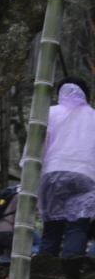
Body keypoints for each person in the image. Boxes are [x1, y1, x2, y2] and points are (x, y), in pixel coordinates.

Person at [37, 78, 95, 258]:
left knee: (52, 225)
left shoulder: (48, 113)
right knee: (77, 224)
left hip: (52, 171)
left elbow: (36, 148)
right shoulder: (93, 116)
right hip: (85, 174)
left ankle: (45, 266)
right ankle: (72, 263)